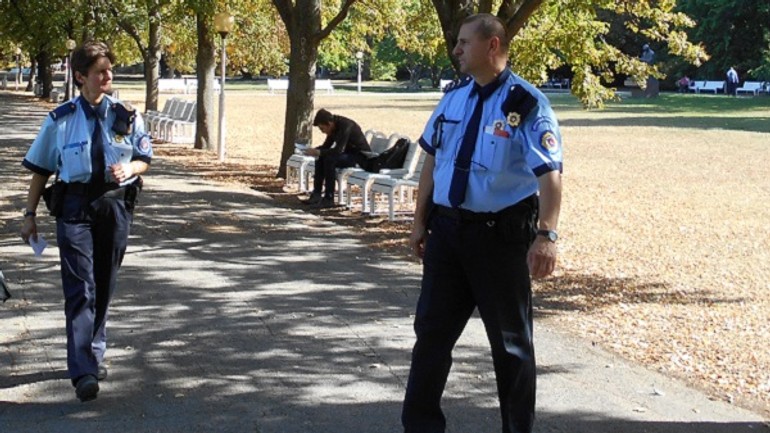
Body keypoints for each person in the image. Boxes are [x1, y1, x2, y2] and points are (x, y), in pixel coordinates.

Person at [401, 14, 562, 433]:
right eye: (457, 42)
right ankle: (420, 426)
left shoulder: (525, 104)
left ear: (492, 46)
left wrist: (546, 236)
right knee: (431, 337)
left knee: (511, 348)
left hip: (499, 240)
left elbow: (550, 175)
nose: (456, 49)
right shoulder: (452, 98)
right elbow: (432, 160)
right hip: (448, 236)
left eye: (463, 42)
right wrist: (419, 221)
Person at [19, 41, 151, 402]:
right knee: (81, 288)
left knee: (104, 284)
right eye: (99, 72)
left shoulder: (126, 115)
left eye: (109, 69)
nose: (108, 76)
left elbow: (144, 158)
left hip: (114, 206)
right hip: (74, 207)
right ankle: (83, 372)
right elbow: (41, 169)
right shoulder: (60, 119)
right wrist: (29, 215)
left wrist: (131, 168)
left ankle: (93, 351)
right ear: (80, 77)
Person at [300, 108, 371, 208]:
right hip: (347, 154)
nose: (322, 132)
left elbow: (338, 150)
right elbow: (326, 146)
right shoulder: (333, 128)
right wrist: (313, 151)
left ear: (329, 123)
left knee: (329, 160)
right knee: (320, 157)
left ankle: (329, 198)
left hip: (359, 156)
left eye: (322, 129)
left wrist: (319, 152)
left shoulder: (346, 126)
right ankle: (316, 194)